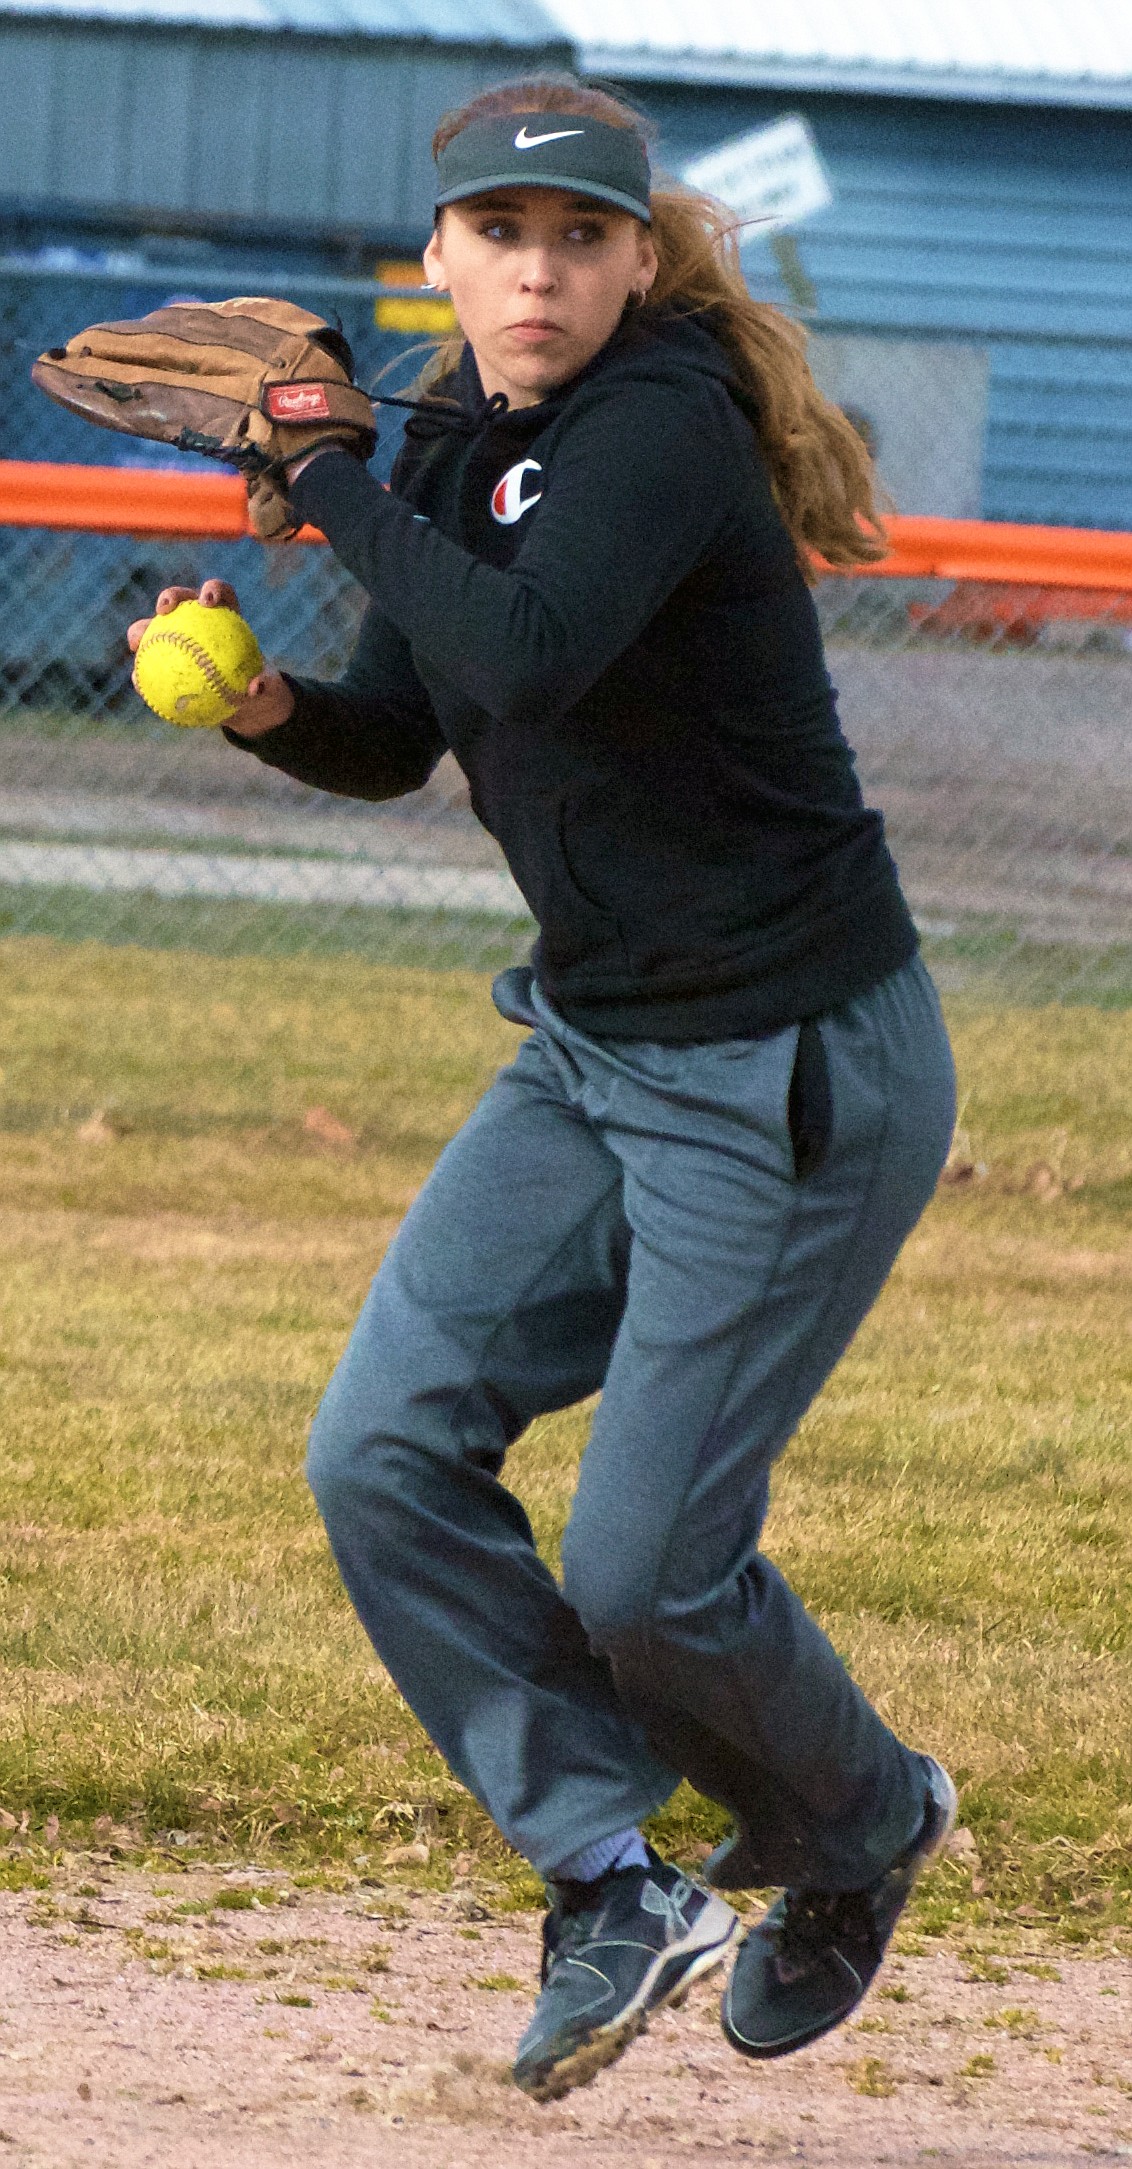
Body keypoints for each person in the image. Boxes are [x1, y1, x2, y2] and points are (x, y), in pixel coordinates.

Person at [129, 76, 958, 2105]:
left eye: (577, 235)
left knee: (643, 1570)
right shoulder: (444, 431)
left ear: (636, 260)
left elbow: (525, 653)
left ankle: (856, 1819)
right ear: (438, 261)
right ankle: (609, 1871)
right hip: (596, 1041)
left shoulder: (657, 423)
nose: (534, 267)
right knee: (378, 1449)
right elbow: (404, 729)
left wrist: (323, 479)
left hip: (783, 1065)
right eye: (496, 233)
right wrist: (258, 700)